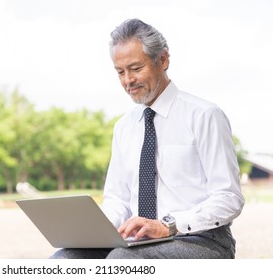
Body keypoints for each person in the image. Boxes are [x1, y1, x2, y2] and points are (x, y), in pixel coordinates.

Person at [50, 18, 244, 259]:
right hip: (136, 241)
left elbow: (229, 198)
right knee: (64, 259)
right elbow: (117, 201)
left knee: (122, 260)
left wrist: (167, 225)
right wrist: (94, 230)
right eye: (120, 72)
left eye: (135, 68)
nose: (127, 80)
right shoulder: (124, 127)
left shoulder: (205, 116)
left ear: (162, 60)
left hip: (201, 240)